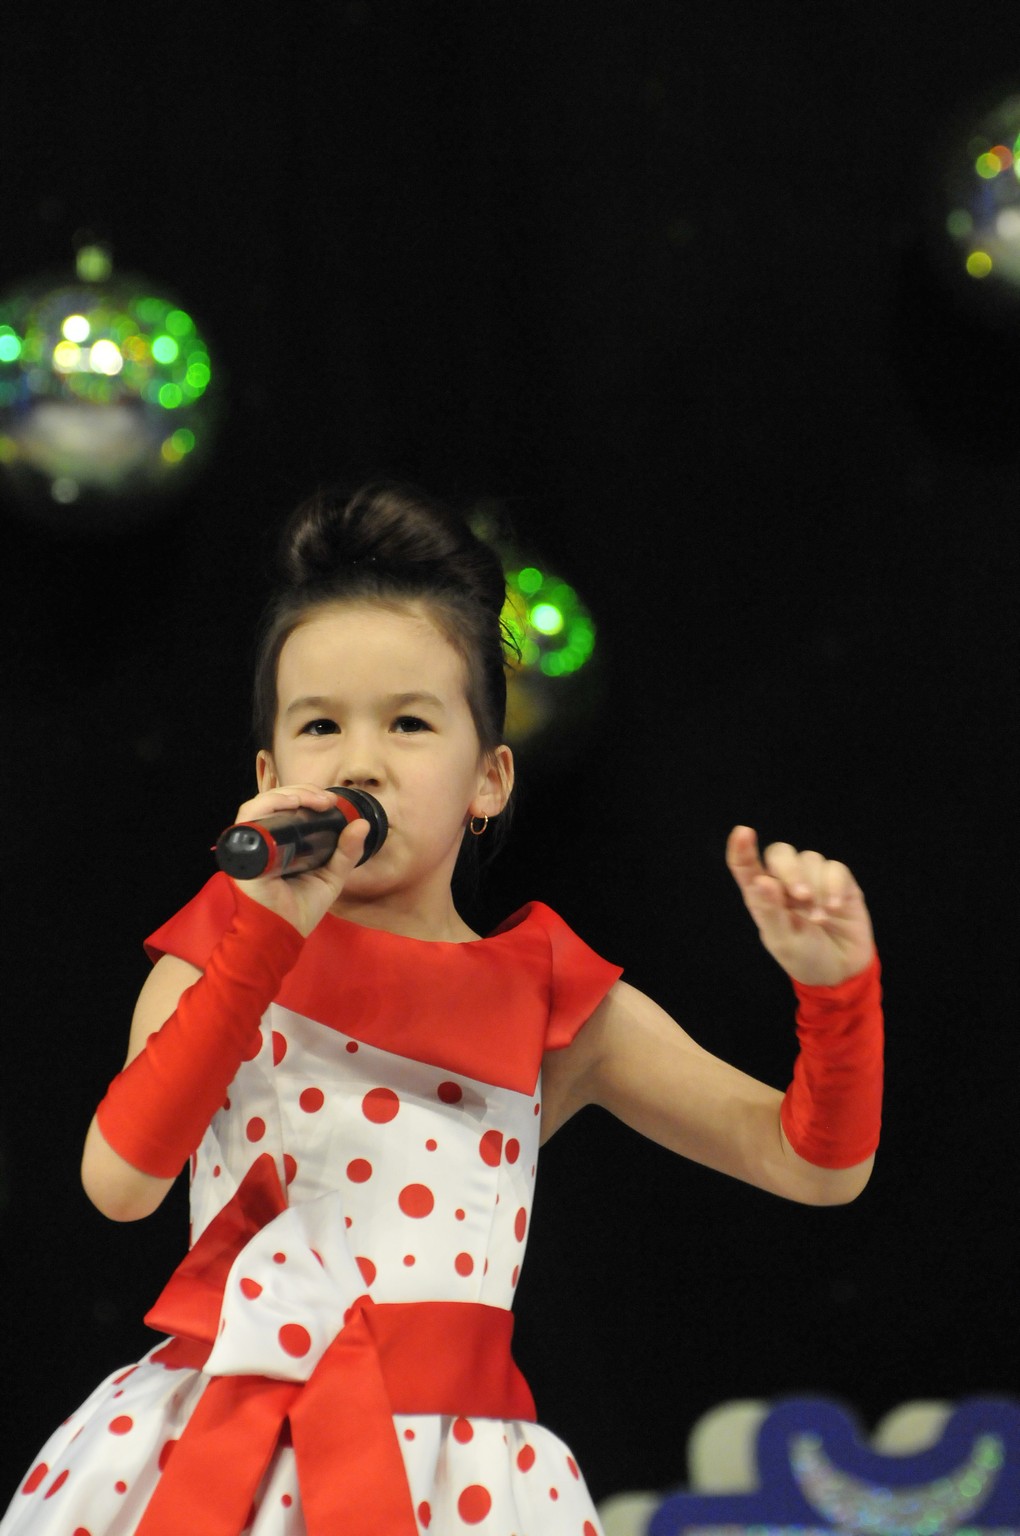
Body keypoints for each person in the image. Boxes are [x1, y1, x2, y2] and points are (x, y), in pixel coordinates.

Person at [1, 479, 883, 1536]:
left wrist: (837, 994)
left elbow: (812, 1164)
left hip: (456, 1483)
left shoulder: (550, 995)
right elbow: (120, 1185)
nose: (360, 761)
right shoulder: (218, 958)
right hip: (223, 1457)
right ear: (270, 772)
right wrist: (263, 942)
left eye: (410, 723)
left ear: (490, 779)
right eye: (320, 724)